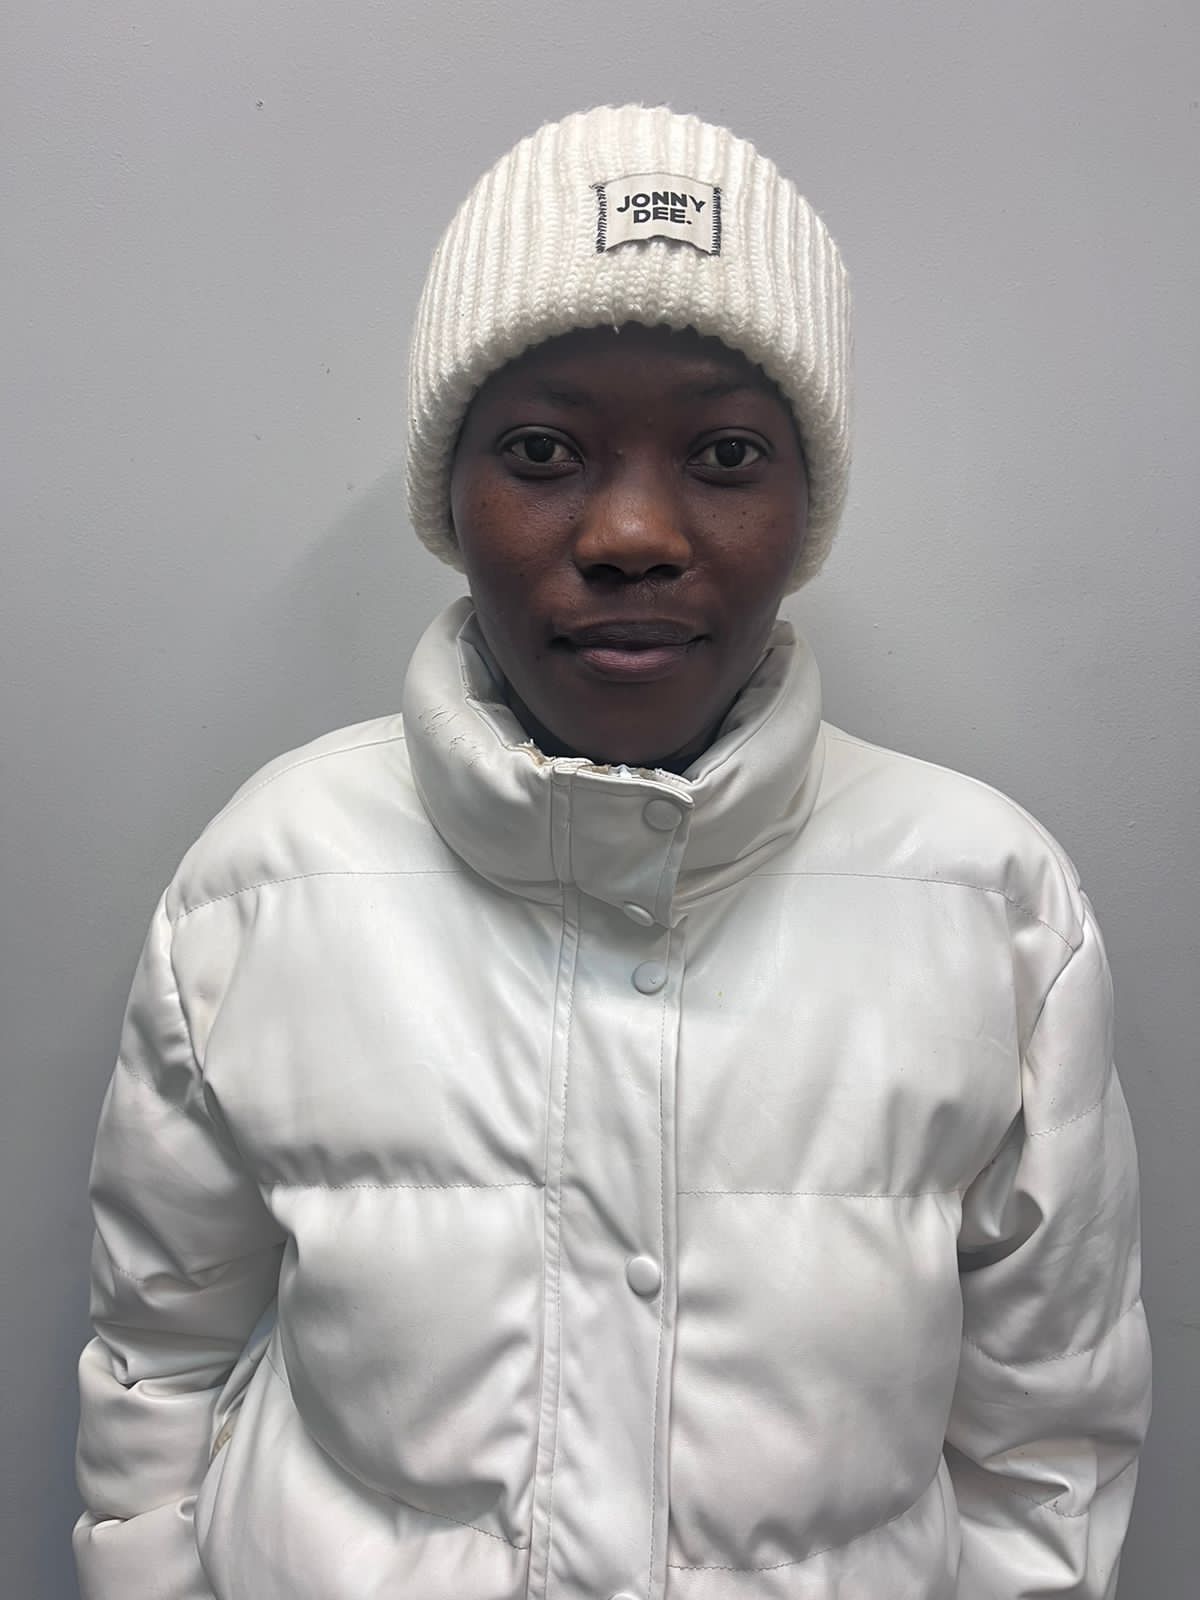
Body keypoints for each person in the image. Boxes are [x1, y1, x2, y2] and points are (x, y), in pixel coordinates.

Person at [74, 103, 1151, 1600]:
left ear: (807, 507)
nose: (635, 531)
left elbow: (1049, 1444)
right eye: (542, 449)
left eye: (725, 452)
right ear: (449, 494)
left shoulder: (996, 910)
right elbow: (158, 1360)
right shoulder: (262, 884)